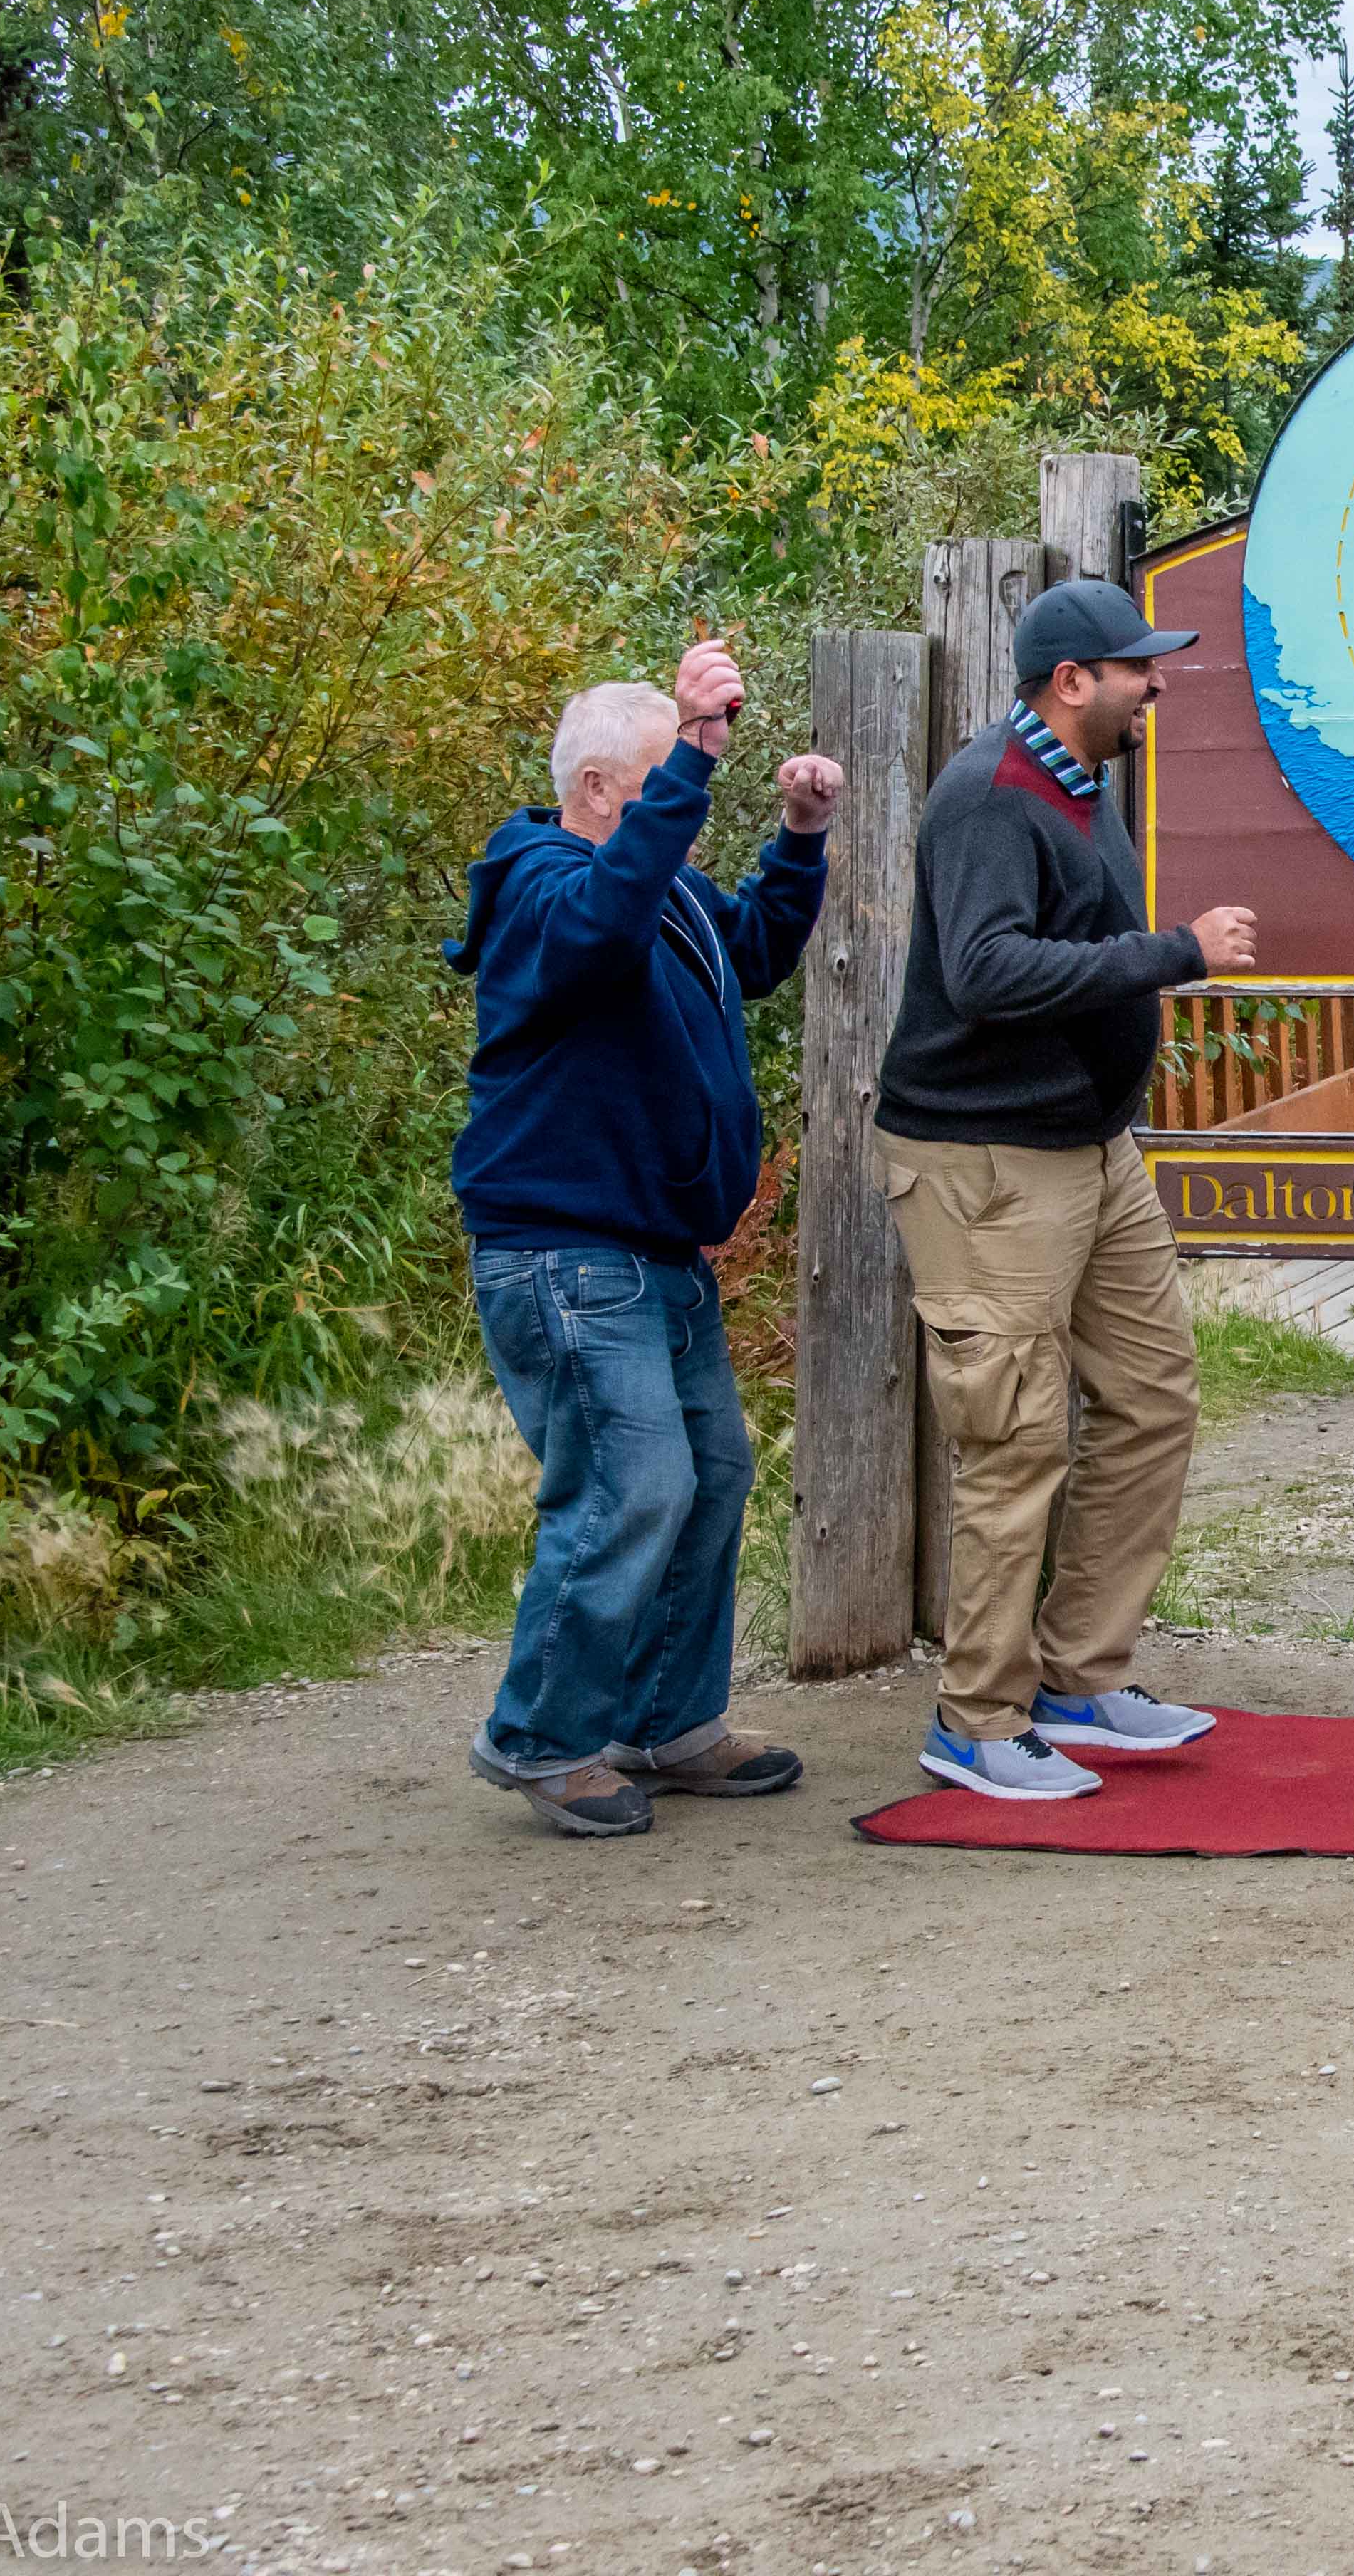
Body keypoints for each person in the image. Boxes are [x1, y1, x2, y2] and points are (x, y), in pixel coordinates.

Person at [448, 639, 838, 1836]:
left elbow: (757, 950)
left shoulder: (660, 889)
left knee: (709, 1475)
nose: (690, 802)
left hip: (653, 1252)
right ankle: (540, 1737)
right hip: (565, 1252)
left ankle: (669, 1724)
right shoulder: (543, 886)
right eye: (670, 777)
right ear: (605, 788)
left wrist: (800, 838)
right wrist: (703, 751)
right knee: (631, 1486)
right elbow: (601, 925)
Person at [880, 578, 1259, 1801]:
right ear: (1071, 681)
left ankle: (1077, 1678)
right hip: (987, 1164)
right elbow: (985, 971)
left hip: (1092, 1149)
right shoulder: (993, 795)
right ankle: (976, 1721)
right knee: (1014, 1432)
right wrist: (1175, 956)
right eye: (1140, 668)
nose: (1159, 684)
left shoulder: (1081, 784)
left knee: (1152, 1397)